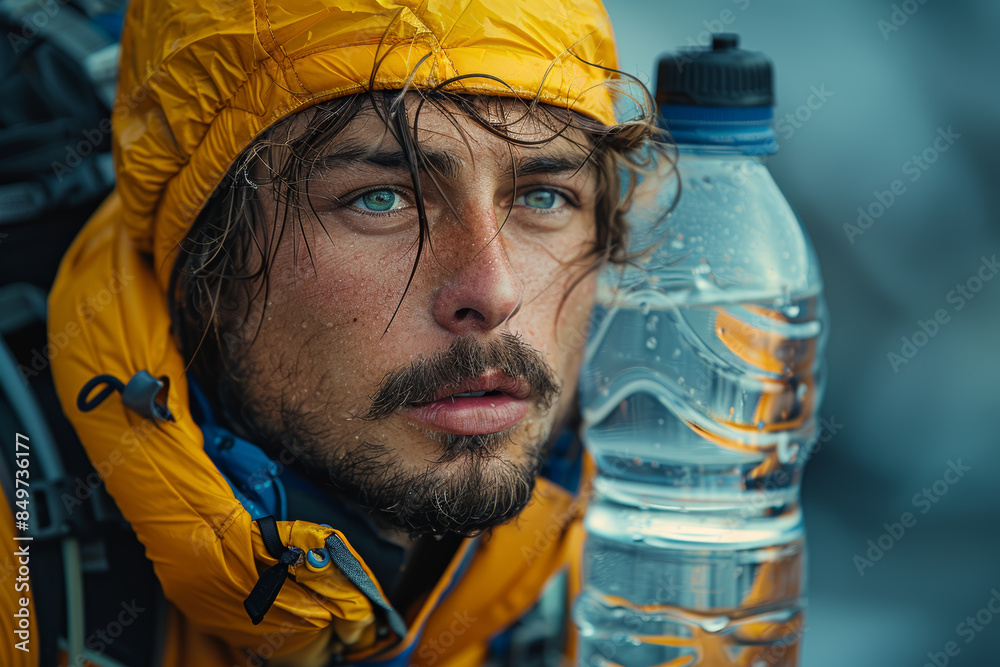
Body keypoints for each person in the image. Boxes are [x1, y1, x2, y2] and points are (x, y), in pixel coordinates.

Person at [36, 0, 667, 664]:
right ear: (207, 266)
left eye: (544, 197)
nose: (495, 292)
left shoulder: (647, 566)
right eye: (381, 198)